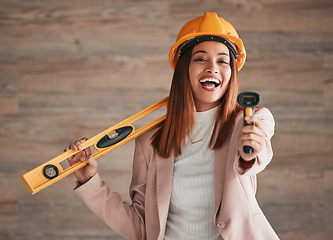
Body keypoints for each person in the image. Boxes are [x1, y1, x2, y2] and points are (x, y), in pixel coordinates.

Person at [65, 12, 279, 240]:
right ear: (183, 68)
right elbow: (141, 226)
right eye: (200, 58)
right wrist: (89, 181)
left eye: (223, 60)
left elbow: (254, 157)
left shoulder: (250, 121)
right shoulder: (150, 141)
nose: (212, 68)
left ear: (232, 71)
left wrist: (250, 152)